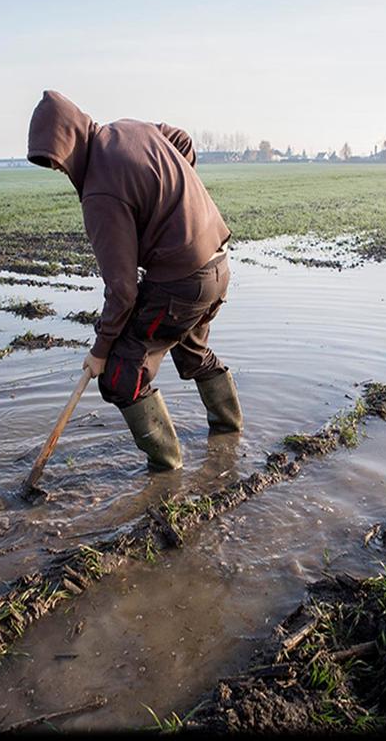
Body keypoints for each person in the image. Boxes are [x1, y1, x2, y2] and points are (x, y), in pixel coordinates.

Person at [26, 90, 242, 471]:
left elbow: (123, 292)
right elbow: (182, 140)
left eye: (57, 162)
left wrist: (101, 351)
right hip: (219, 263)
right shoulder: (129, 129)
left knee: (121, 378)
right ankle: (230, 433)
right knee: (190, 351)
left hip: (184, 283)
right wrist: (180, 207)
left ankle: (167, 471)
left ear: (70, 144)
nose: (60, 171)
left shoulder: (99, 194)